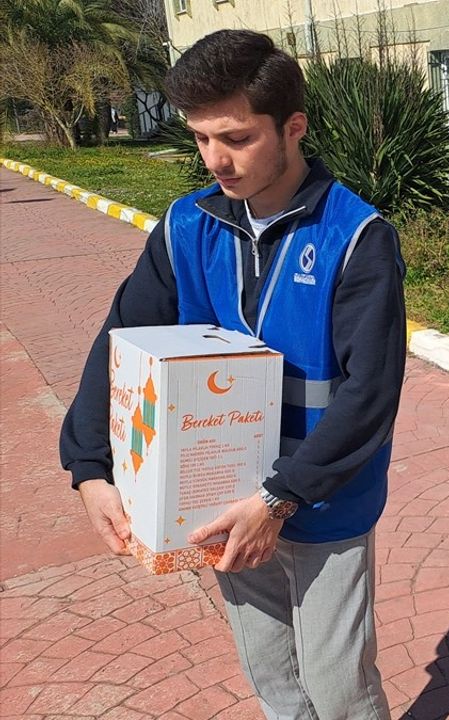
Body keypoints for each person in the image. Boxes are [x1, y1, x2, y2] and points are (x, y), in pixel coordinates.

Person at [59, 30, 405, 719]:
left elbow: (369, 395)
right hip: (219, 495)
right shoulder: (186, 227)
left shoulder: (357, 238)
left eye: (237, 138)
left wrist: (278, 499)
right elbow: (121, 340)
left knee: (339, 689)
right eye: (201, 139)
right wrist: (90, 465)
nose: (217, 159)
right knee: (271, 672)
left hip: (324, 497)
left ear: (293, 127)